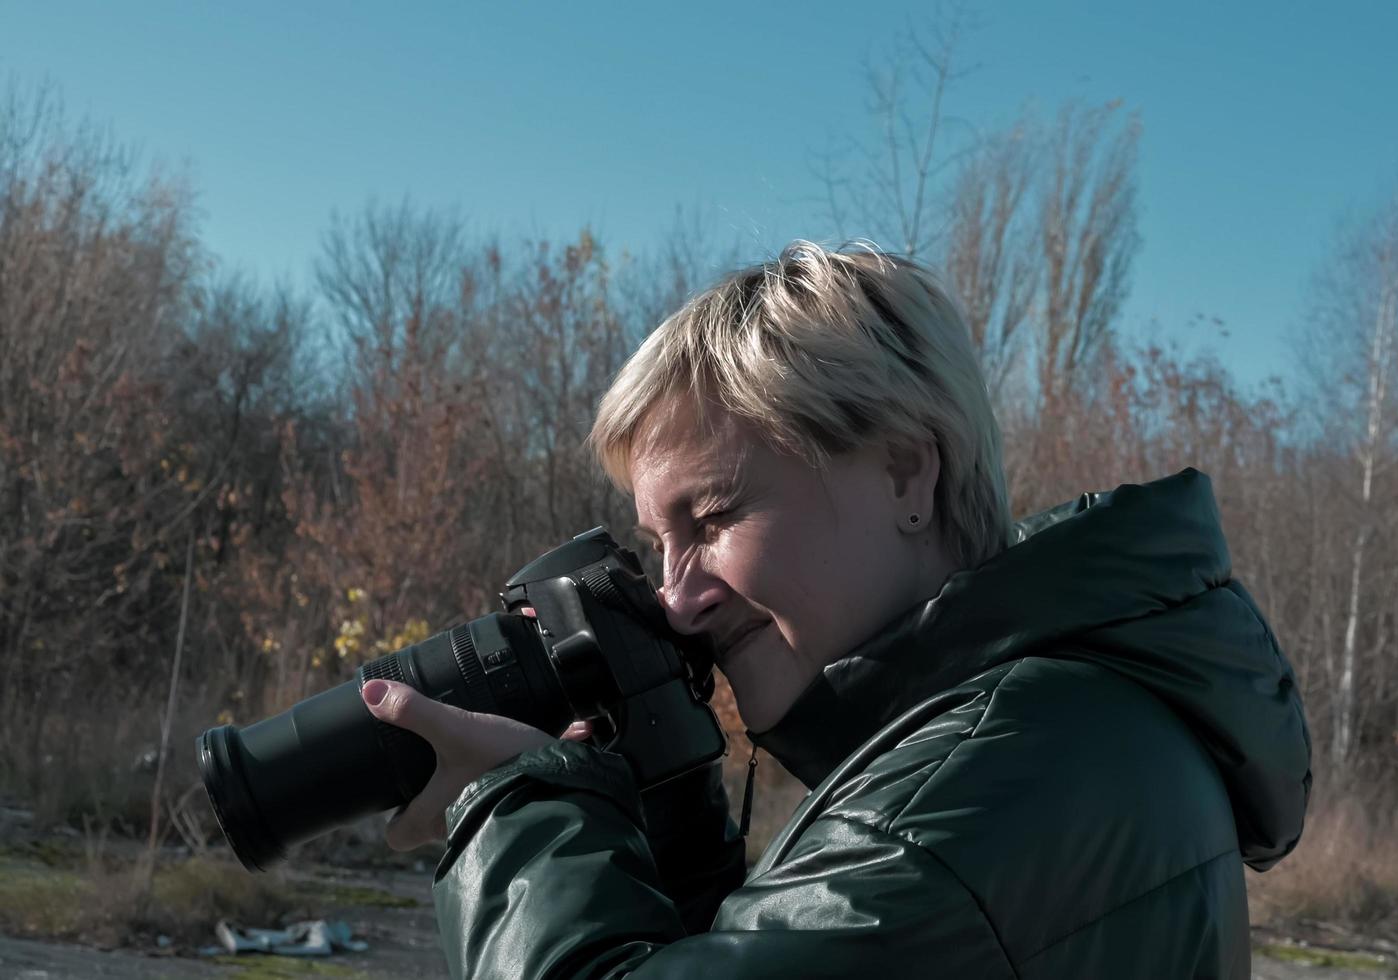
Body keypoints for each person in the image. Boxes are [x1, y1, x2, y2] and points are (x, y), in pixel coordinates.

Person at [359, 242, 1312, 979]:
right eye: (658, 542)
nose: (677, 598)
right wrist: (669, 815)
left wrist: (518, 814)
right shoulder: (1057, 726)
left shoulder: (991, 781)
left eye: (717, 514)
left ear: (905, 472)